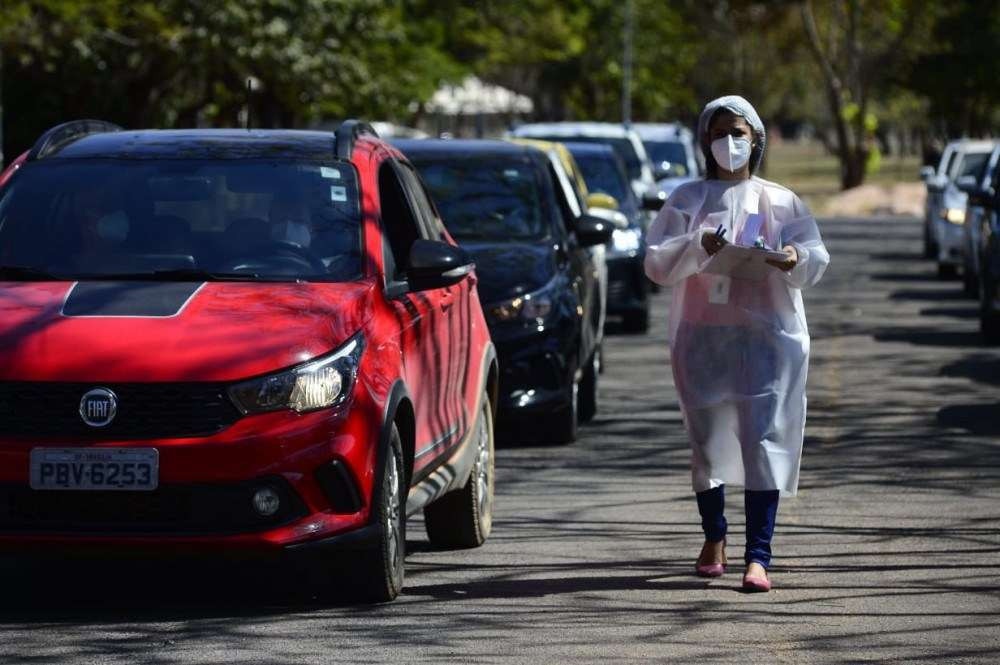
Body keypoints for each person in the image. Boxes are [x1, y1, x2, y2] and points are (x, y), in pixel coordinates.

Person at [643, 95, 829, 592]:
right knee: (706, 442)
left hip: (766, 335)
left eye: (739, 133)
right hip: (703, 334)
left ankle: (758, 556)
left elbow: (813, 252)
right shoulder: (687, 198)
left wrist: (792, 256)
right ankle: (714, 536)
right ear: (705, 139)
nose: (730, 143)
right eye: (720, 132)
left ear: (757, 139)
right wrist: (695, 245)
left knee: (762, 440)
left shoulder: (782, 199)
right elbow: (656, 262)